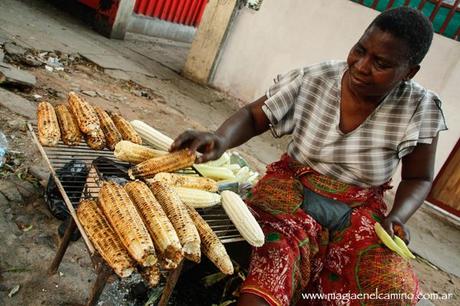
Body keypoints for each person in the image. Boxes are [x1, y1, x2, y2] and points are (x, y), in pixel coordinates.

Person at [171, 7, 447, 306]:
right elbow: (254, 116)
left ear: (409, 72)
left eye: (380, 63)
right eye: (360, 50)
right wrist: (221, 138)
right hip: (291, 191)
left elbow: (419, 178)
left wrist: (398, 216)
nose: (361, 66)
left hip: (359, 208)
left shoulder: (420, 108)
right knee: (272, 269)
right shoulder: (316, 78)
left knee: (393, 290)